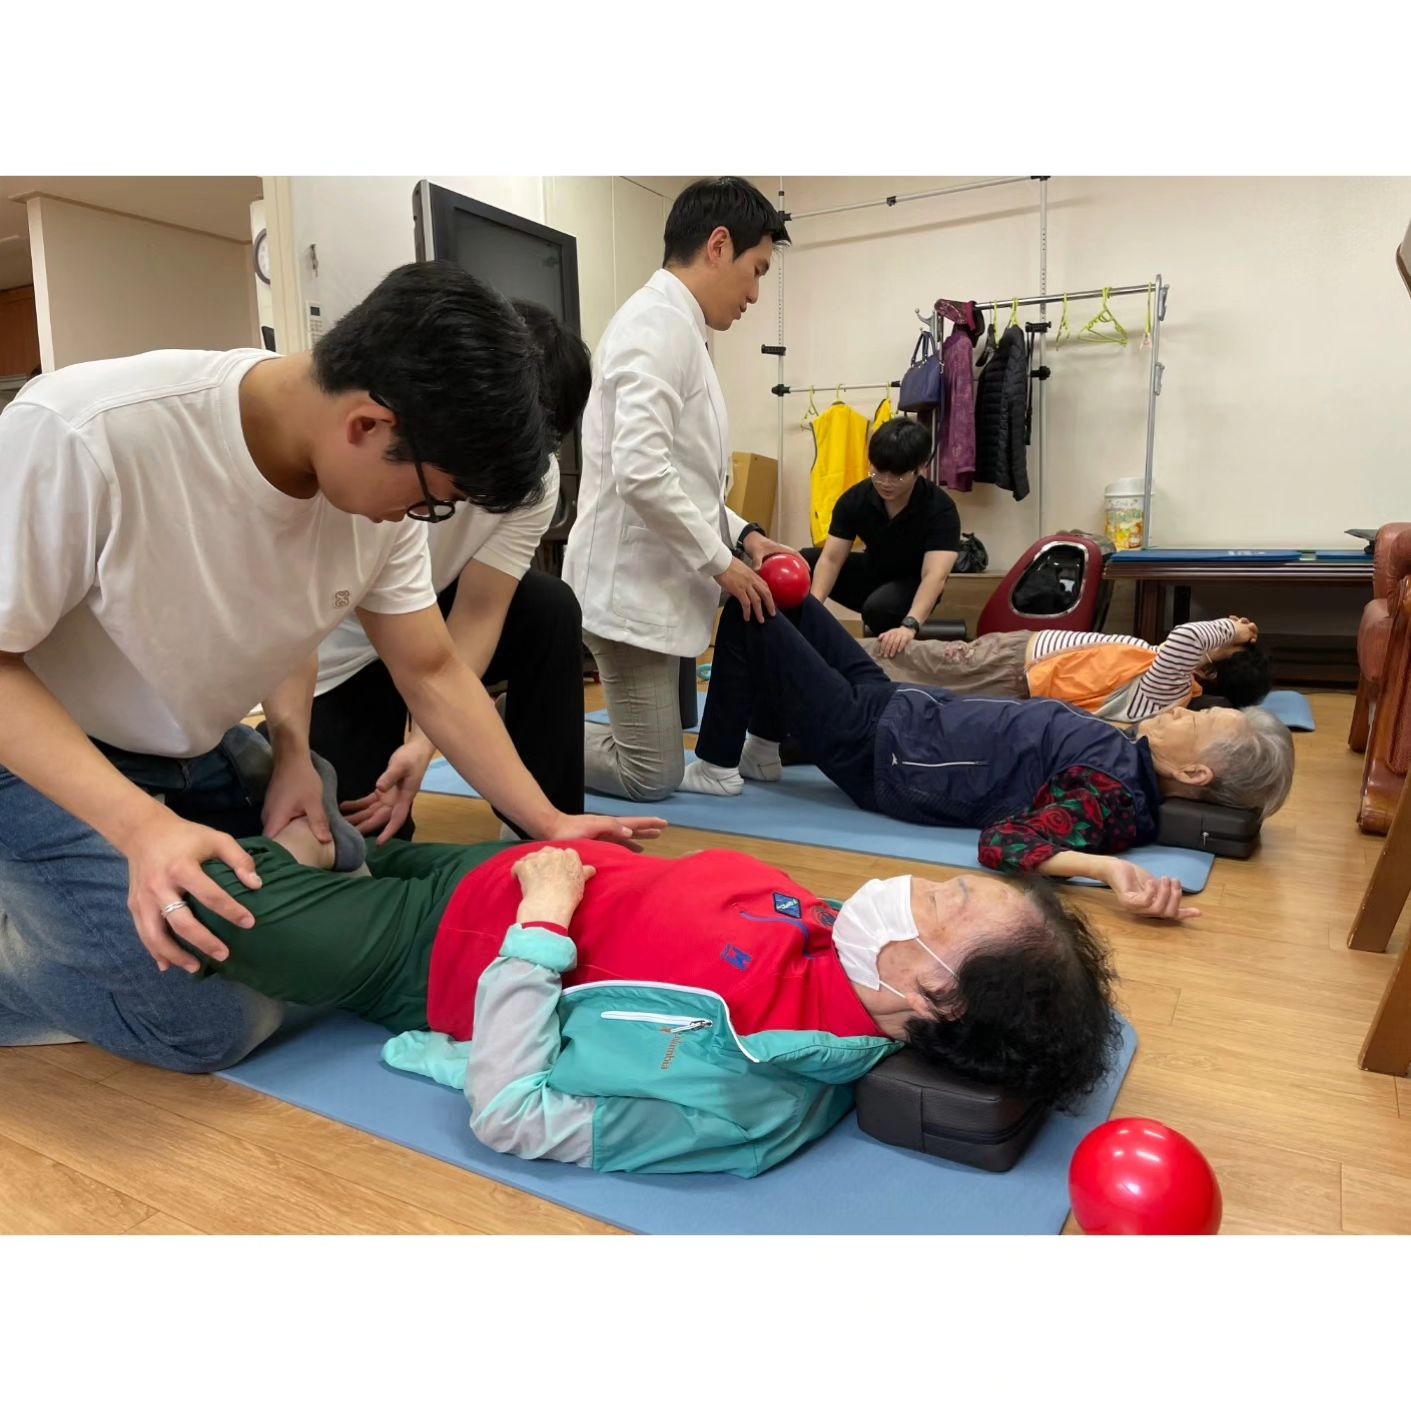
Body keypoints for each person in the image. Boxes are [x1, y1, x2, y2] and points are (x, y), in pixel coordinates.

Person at [0, 262, 663, 1074]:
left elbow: (430, 668)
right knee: (217, 1019)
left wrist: (547, 820)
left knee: (335, 860)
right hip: (36, 758)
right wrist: (140, 829)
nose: (423, 519)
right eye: (432, 499)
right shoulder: (88, 432)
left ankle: (98, 899)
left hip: (186, 742)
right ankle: (27, 935)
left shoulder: (363, 488)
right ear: (367, 424)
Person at [180, 761, 1121, 1174]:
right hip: (501, 864)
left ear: (931, 994)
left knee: (208, 887)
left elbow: (512, 1114)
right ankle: (294, 807)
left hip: (429, 952)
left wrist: (542, 923)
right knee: (337, 827)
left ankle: (260, 810)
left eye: (945, 901)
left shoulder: (750, 1091)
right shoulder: (848, 943)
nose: (918, 886)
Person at [681, 597, 1295, 913]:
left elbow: (1006, 843)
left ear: (1193, 771)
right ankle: (763, 752)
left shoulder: (1111, 795)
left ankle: (717, 766)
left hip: (884, 754)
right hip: (900, 708)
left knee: (749, 610)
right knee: (786, 593)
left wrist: (1105, 870)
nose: (1184, 709)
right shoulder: (1130, 750)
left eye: (1199, 720)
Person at [306, 300, 592, 843]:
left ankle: (541, 830)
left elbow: (480, 613)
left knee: (548, 607)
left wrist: (425, 743)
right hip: (342, 639)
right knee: (362, 838)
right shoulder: (370, 460)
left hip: (425, 608)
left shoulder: (534, 476)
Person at [562, 177, 796, 801]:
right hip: (628, 591)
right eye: (755, 270)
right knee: (651, 775)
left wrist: (744, 536)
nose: (754, 294)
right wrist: (721, 562)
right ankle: (514, 728)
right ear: (719, 246)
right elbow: (641, 470)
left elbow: (685, 477)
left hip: (658, 580)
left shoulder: (681, 327)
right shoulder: (656, 325)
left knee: (661, 747)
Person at [868, 615, 1273, 725]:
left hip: (1010, 669)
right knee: (908, 666)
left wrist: (1232, 630)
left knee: (907, 660)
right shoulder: (1168, 680)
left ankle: (837, 650)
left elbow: (1187, 637)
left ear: (1211, 670)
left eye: (1224, 648)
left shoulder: (1170, 688)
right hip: (1016, 661)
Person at [801, 417, 961, 654]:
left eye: (897, 476)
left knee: (879, 608)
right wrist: (813, 610)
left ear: (921, 468)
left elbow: (934, 576)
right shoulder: (855, 499)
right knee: (804, 561)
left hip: (913, 583)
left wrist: (910, 625)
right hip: (874, 572)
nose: (885, 483)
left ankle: (891, 641)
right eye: (877, 472)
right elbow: (831, 559)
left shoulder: (940, 508)